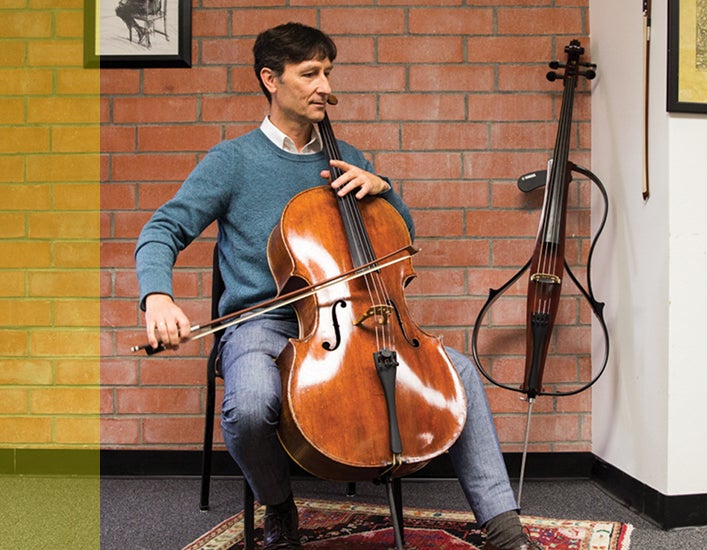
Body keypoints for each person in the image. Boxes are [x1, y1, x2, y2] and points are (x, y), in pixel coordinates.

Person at [135, 22, 541, 550]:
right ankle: (279, 508)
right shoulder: (231, 162)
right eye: (310, 73)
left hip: (356, 316)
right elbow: (162, 230)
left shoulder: (347, 157)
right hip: (262, 321)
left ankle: (504, 527)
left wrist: (383, 190)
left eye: (328, 72)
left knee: (457, 373)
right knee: (251, 404)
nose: (325, 85)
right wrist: (157, 296)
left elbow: (401, 243)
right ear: (270, 80)